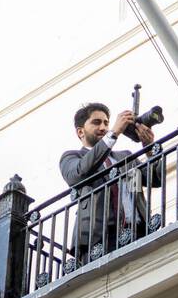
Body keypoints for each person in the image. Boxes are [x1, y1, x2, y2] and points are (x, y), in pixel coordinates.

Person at [60, 102, 163, 263]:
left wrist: (150, 148)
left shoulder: (125, 157)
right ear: (80, 131)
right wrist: (114, 132)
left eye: (106, 123)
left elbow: (156, 179)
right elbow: (77, 174)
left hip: (138, 231)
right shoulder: (71, 157)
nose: (103, 127)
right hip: (99, 239)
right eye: (96, 122)